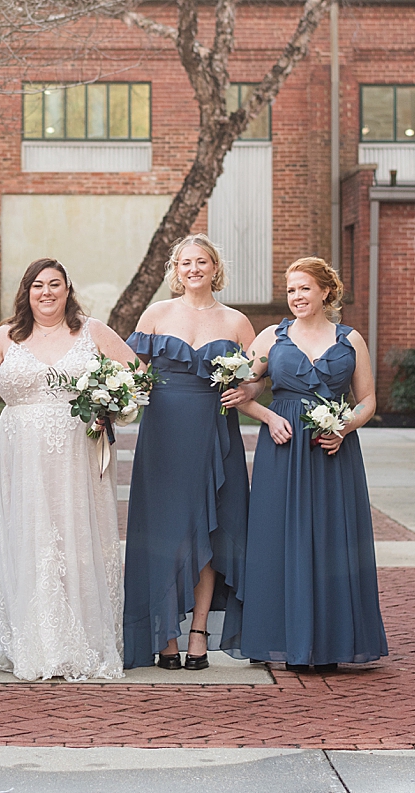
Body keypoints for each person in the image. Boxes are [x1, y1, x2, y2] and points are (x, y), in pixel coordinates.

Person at [0, 258, 135, 680]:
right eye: (38, 285)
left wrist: (112, 408)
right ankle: (35, 640)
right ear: (26, 292)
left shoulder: (92, 330)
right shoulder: (8, 336)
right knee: (31, 536)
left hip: (80, 451)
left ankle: (84, 637)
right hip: (22, 454)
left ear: (68, 289)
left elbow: (136, 374)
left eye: (55, 285)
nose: (47, 292)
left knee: (78, 535)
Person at [237, 256, 388, 671]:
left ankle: (331, 643)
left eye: (304, 288)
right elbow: (243, 390)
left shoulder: (350, 339)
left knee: (331, 540)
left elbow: (369, 400)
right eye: (290, 290)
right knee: (279, 539)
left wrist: (344, 427)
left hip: (332, 452)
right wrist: (268, 417)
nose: (296, 297)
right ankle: (284, 640)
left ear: (325, 291)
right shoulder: (271, 337)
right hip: (283, 452)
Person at [123, 234, 257, 670]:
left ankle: (198, 631)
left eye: (202, 262)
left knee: (211, 529)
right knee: (166, 530)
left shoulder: (237, 322)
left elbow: (257, 375)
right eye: (186, 263)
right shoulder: (156, 314)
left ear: (215, 268)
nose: (194, 269)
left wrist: (246, 391)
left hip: (216, 434)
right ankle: (164, 631)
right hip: (163, 435)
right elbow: (132, 374)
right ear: (175, 270)